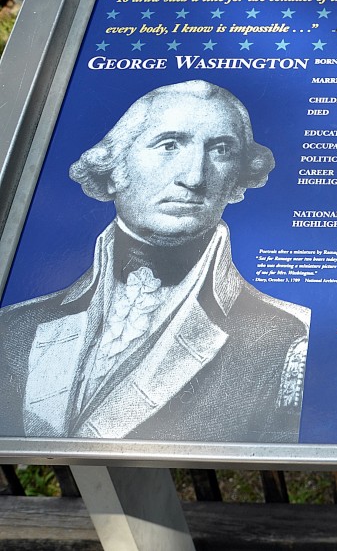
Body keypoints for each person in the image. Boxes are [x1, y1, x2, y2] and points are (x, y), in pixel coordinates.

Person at [0, 80, 310, 443]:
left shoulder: (286, 338)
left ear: (238, 178)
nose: (194, 177)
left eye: (221, 150)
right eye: (169, 145)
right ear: (114, 167)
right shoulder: (16, 327)